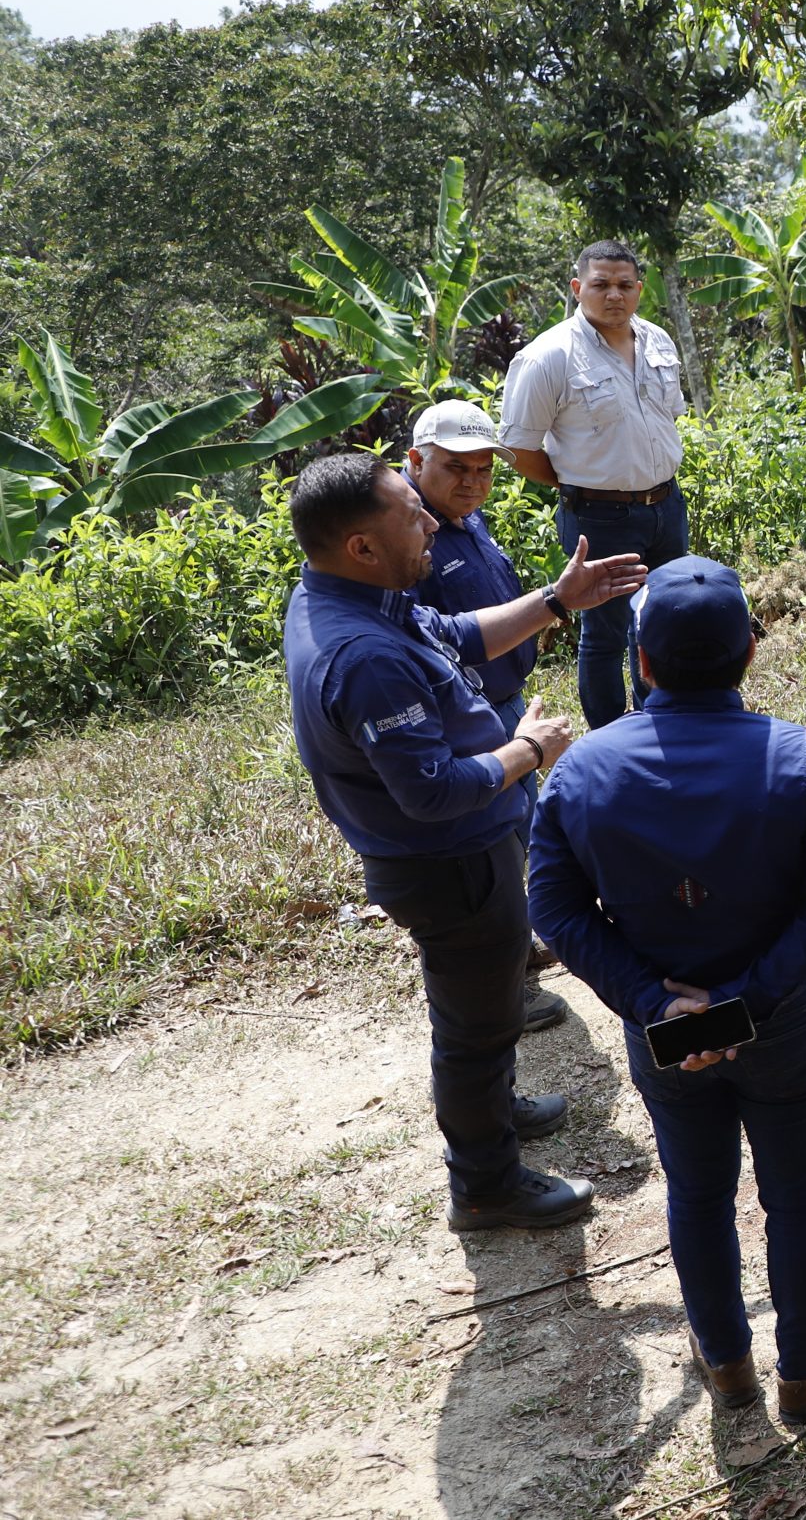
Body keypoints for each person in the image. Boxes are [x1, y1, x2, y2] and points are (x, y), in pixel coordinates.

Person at [528, 555, 806, 1426]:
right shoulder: (804, 762)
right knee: (798, 1192)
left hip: (666, 1029)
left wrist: (656, 1002)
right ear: (748, 655)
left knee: (696, 1189)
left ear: (640, 661)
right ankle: (804, 1371)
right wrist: (746, 1002)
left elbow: (554, 907)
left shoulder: (578, 774)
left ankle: (727, 1367)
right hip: (785, 1021)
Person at [281, 453, 647, 1230]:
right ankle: (485, 1184)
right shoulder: (364, 657)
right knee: (473, 1027)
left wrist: (555, 600)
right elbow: (432, 791)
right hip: (447, 865)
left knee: (479, 1008)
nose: (428, 522)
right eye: (409, 514)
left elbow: (452, 634)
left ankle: (497, 1106)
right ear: (362, 546)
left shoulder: (361, 598)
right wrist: (528, 750)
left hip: (460, 855)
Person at [406, 399, 566, 1032]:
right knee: (488, 853)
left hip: (506, 706)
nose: (472, 482)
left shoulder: (466, 522)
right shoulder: (410, 539)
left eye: (482, 469)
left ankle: (515, 951)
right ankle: (503, 991)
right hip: (466, 719)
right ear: (416, 462)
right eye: (455, 468)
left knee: (517, 835)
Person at [499, 240, 690, 730]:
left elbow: (667, 417)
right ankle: (611, 736)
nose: (614, 295)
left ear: (639, 289)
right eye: (601, 284)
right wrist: (575, 486)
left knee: (660, 620)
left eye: (625, 285)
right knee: (606, 631)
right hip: (598, 516)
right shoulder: (549, 357)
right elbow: (518, 449)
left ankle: (658, 723)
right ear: (577, 287)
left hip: (666, 505)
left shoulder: (658, 341)